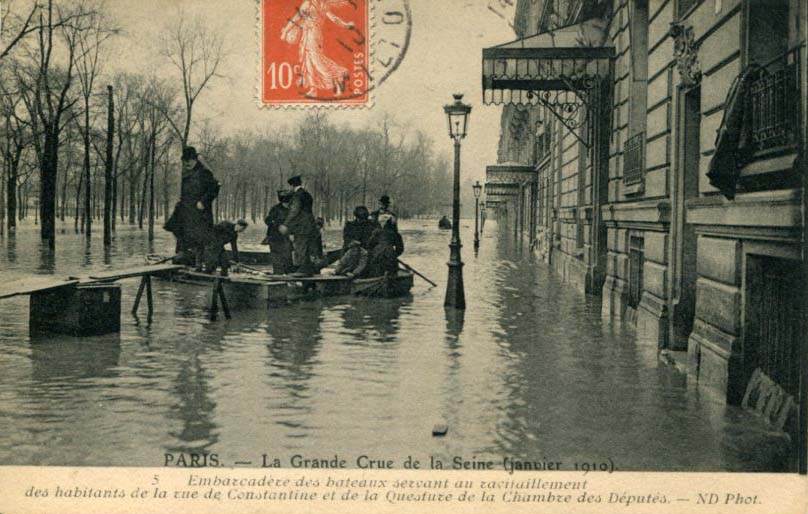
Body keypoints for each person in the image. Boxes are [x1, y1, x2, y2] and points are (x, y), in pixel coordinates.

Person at [165, 146, 220, 269]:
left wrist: (203, 201)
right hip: (187, 211)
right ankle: (185, 260)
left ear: (195, 160)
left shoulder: (205, 173)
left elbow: (214, 188)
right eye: (185, 161)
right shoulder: (188, 174)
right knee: (180, 232)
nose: (186, 163)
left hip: (200, 213)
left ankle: (202, 265)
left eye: (189, 160)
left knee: (200, 238)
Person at [281, 175, 320, 277]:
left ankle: (302, 270)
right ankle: (309, 269)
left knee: (300, 247)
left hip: (301, 226)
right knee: (308, 247)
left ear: (292, 185)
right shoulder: (307, 194)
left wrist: (286, 224)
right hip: (310, 225)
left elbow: (294, 211)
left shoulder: (297, 195)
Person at [264, 190, 294, 275]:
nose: (287, 204)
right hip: (275, 238)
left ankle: (289, 279)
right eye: (286, 202)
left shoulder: (293, 210)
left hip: (287, 238)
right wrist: (278, 226)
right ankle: (278, 278)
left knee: (288, 259)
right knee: (277, 259)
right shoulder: (275, 209)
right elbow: (268, 220)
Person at [367, 213, 404, 277]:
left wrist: (373, 252)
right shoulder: (396, 234)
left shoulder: (376, 232)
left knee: (375, 272)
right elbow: (400, 249)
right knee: (392, 272)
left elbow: (369, 244)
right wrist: (393, 255)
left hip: (377, 254)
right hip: (390, 255)